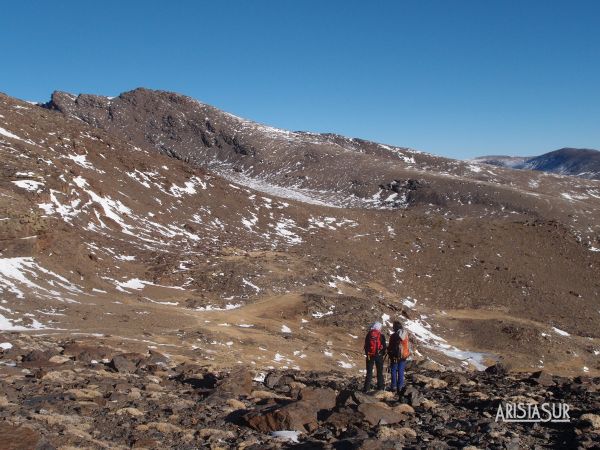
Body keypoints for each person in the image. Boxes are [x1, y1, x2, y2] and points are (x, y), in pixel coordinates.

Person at [387, 320, 410, 394]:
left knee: (393, 370)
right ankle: (400, 387)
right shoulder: (405, 334)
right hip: (403, 355)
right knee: (401, 371)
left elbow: (390, 346)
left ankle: (393, 386)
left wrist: (389, 353)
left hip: (394, 356)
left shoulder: (393, 336)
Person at [363, 321, 387, 392]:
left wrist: (367, 353)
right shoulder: (381, 335)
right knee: (379, 372)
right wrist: (381, 353)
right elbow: (384, 347)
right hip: (378, 355)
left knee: (369, 372)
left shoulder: (369, 334)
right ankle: (380, 388)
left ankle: (366, 388)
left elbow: (366, 345)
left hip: (370, 356)